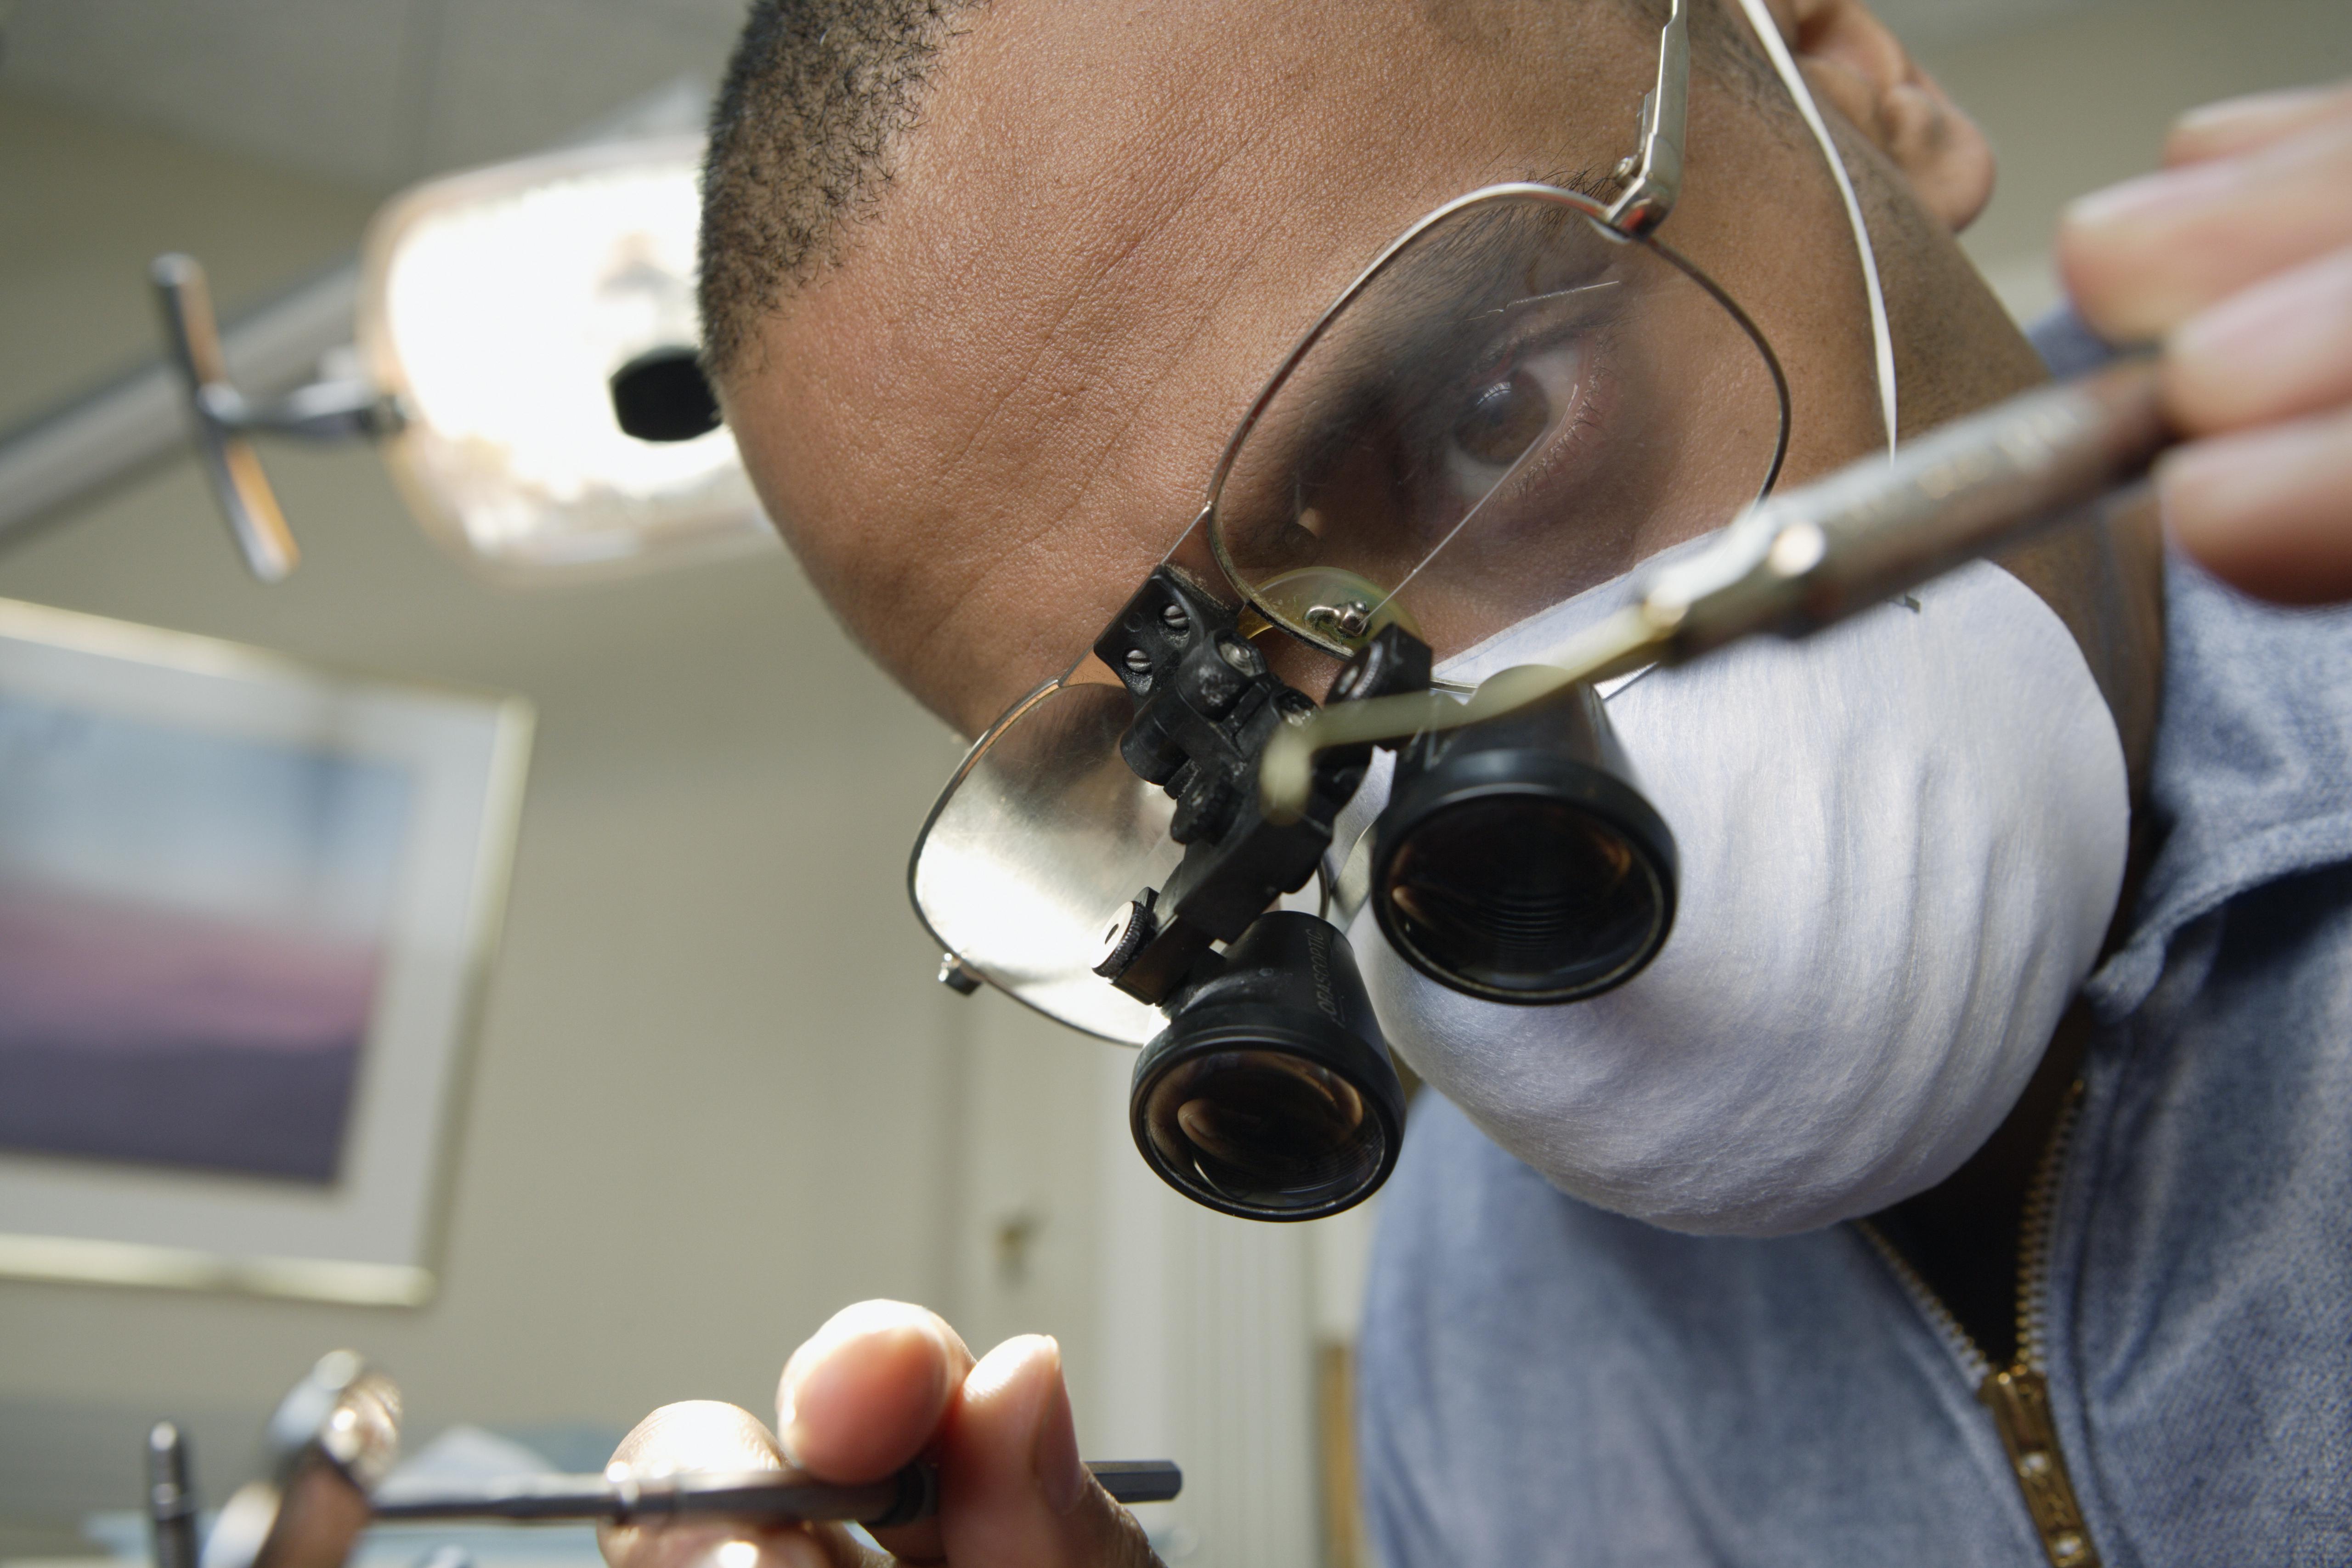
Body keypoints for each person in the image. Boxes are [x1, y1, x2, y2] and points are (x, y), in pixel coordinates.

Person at [596, 2, 2352, 1564]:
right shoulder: (1476, 1331)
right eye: (1184, 748)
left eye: (1495, 419)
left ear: (1852, 84)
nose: (1415, 775)